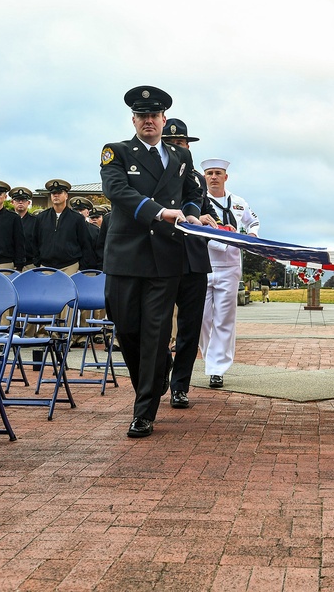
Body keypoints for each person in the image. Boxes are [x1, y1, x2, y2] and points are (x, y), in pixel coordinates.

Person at [100, 85, 210, 438]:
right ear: (133, 120)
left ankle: (144, 411)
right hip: (126, 256)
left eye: (154, 115)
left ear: (164, 119)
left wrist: (189, 212)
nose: (148, 120)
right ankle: (161, 365)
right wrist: (160, 212)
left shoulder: (180, 157)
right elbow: (117, 191)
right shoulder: (116, 152)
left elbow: (193, 192)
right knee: (127, 329)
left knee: (155, 331)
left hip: (166, 255)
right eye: (142, 115)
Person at [159, 117, 216, 410]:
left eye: (181, 143)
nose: (177, 147)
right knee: (157, 325)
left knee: (190, 328)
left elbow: (205, 210)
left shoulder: (196, 179)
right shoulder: (153, 175)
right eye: (170, 143)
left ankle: (180, 386)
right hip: (161, 258)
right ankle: (161, 371)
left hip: (193, 259)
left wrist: (210, 220)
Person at [199, 157, 260, 389]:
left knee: (224, 319)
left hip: (230, 265)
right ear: (204, 177)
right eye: (209, 173)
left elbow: (253, 221)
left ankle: (217, 369)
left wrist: (252, 235)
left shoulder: (238, 202)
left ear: (226, 177)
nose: (213, 177)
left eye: (218, 173)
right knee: (203, 319)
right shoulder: (199, 201)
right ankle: (210, 357)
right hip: (205, 263)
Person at [32, 179, 95, 274]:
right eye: (53, 193)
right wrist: (38, 262)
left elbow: (85, 244)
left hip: (70, 267)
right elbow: (35, 241)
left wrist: (82, 267)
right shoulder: (41, 217)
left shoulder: (77, 218)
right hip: (46, 267)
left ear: (66, 195)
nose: (56, 195)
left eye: (59, 193)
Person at [9, 187, 38, 271]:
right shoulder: (6, 220)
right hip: (11, 264)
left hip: (30, 264)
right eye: (17, 200)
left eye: (24, 200)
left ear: (28, 203)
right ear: (12, 202)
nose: (20, 202)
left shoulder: (35, 221)